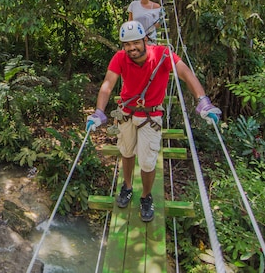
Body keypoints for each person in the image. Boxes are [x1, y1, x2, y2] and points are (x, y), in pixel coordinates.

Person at [86, 20, 222, 222]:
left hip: (151, 116)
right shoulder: (120, 58)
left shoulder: (163, 55)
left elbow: (185, 73)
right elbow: (108, 84)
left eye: (135, 43)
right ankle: (128, 186)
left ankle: (146, 196)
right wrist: (99, 111)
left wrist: (203, 101)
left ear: (145, 40)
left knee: (148, 162)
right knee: (126, 151)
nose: (131, 48)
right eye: (127, 44)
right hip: (127, 112)